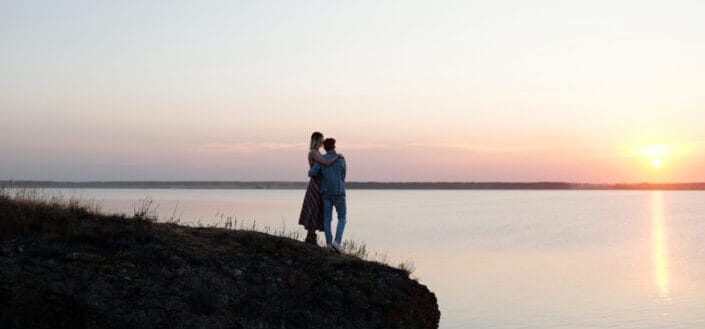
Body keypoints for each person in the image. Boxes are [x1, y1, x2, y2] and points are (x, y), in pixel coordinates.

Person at [298, 132, 341, 245]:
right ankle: (311, 236)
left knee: (317, 208)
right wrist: (336, 156)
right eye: (321, 139)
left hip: (320, 183)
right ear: (317, 140)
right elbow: (326, 163)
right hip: (315, 184)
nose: (323, 142)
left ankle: (311, 236)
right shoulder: (313, 153)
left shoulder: (318, 152)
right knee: (313, 207)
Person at [308, 138, 347, 253]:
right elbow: (343, 176)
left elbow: (312, 173)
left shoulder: (322, 159)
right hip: (339, 192)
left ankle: (329, 244)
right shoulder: (341, 160)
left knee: (327, 219)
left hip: (325, 192)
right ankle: (337, 242)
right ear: (334, 146)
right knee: (342, 218)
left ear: (324, 148)